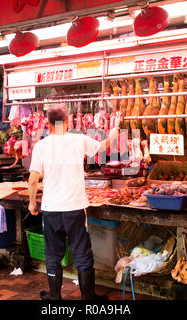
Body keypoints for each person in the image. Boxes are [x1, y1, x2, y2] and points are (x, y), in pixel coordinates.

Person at [28, 104, 120, 300]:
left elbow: (33, 179)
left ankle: (54, 296)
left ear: (48, 123)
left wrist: (31, 203)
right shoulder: (79, 140)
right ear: (68, 120)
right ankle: (88, 297)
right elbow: (103, 146)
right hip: (75, 209)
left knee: (53, 253)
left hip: (51, 210)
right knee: (82, 252)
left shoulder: (41, 146)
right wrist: (114, 130)